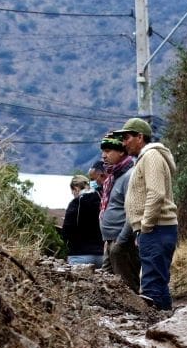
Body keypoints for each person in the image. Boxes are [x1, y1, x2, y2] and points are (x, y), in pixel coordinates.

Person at [114, 117, 178, 309]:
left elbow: (156, 193)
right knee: (158, 283)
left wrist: (145, 226)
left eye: (127, 138)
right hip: (157, 229)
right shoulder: (148, 157)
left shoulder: (151, 156)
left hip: (156, 229)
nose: (124, 143)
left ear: (140, 137)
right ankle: (168, 323)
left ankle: (157, 325)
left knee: (152, 288)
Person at [97, 133, 140, 292]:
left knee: (127, 287)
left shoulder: (130, 175)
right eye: (103, 151)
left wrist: (121, 241)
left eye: (108, 151)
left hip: (122, 243)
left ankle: (137, 309)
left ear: (121, 151)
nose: (103, 156)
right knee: (106, 287)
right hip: (110, 242)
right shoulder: (113, 177)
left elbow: (133, 211)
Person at [59, 174, 104, 266]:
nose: (72, 194)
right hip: (101, 255)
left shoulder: (75, 203)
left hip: (79, 255)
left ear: (76, 189)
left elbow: (66, 232)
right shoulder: (101, 200)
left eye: (72, 191)